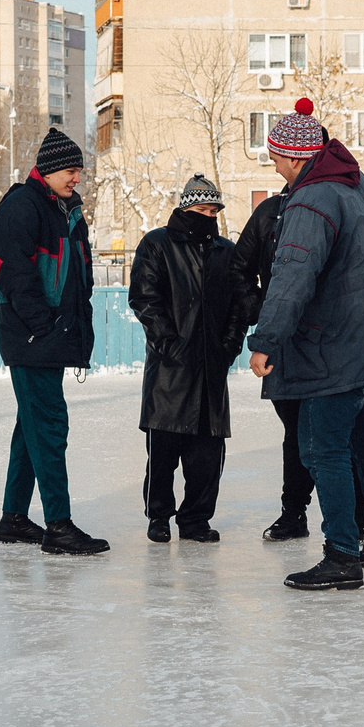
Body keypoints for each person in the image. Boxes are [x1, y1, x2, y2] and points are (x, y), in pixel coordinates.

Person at [246, 100, 364, 592]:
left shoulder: (311, 201)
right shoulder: (355, 186)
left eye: (275, 159)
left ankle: (341, 553)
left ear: (295, 158)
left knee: (323, 447)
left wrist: (265, 340)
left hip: (336, 347)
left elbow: (291, 277)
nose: (274, 168)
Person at [0, 125, 109, 556]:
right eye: (71, 170)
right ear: (50, 169)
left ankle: (14, 518)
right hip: (34, 339)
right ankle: (58, 524)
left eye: (79, 170)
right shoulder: (23, 207)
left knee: (32, 427)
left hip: (54, 336)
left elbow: (81, 276)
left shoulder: (68, 211)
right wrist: (43, 325)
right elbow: (10, 271)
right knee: (49, 426)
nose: (77, 178)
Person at [129, 174, 258, 543]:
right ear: (187, 208)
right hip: (169, 372)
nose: (209, 215)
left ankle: (196, 519)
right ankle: (158, 517)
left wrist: (230, 345)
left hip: (211, 368)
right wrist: (169, 345)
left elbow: (239, 304)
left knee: (207, 455)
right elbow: (144, 298)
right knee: (163, 454)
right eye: (202, 209)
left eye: (214, 210)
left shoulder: (225, 250)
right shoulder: (157, 245)